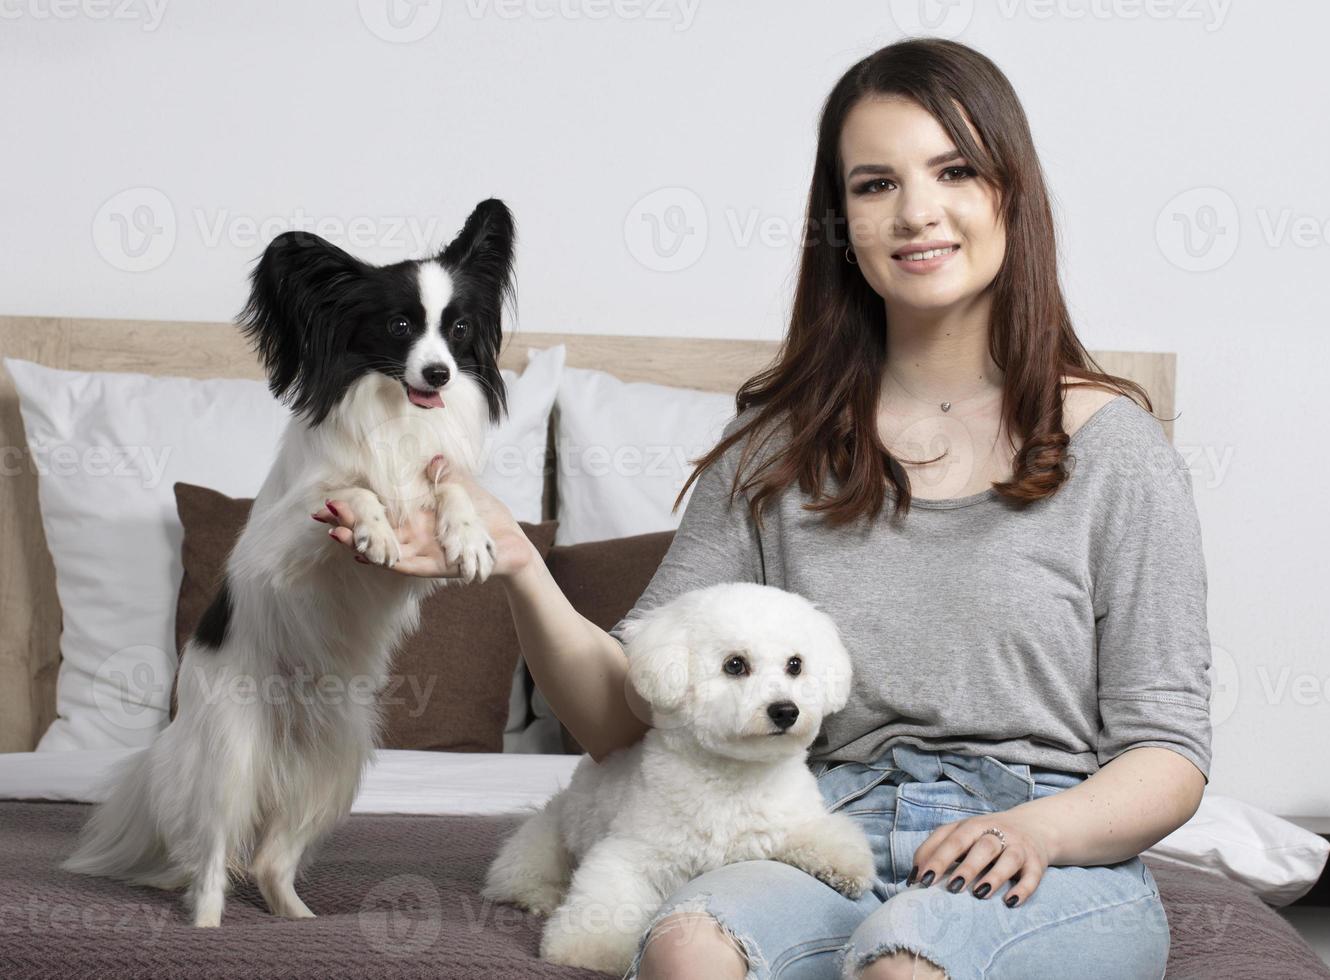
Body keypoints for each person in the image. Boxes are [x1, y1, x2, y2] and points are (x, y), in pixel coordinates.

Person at [316, 37, 1211, 980]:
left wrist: (1038, 829)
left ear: (1010, 192)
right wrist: (516, 560)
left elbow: (1169, 752)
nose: (917, 212)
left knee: (905, 965)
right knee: (686, 947)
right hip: (819, 822)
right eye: (874, 185)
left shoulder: (1115, 452)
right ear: (841, 221)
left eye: (955, 170)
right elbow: (625, 716)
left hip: (1042, 839)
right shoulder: (773, 449)